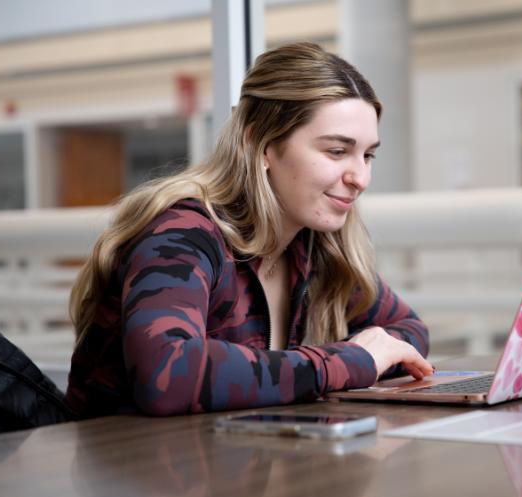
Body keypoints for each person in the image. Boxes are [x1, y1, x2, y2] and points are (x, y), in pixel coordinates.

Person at [65, 42, 432, 418]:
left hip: (223, 460)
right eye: (337, 152)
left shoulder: (312, 246)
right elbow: (168, 373)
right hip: (124, 464)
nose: (361, 178)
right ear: (261, 145)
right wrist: (348, 362)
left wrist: (371, 353)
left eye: (367, 155)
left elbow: (409, 330)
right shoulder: (183, 232)